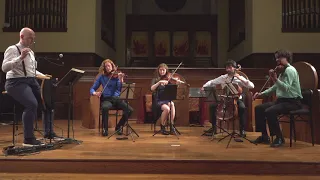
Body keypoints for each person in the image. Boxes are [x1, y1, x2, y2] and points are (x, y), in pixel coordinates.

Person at [1, 27, 63, 147]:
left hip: (30, 80)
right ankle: (28, 139)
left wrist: (44, 76)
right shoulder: (12, 49)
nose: (32, 41)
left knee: (47, 103)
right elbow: (4, 68)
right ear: (22, 37)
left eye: (33, 39)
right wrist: (20, 58)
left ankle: (49, 133)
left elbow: (31, 71)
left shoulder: (31, 52)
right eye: (30, 38)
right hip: (15, 82)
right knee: (31, 104)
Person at [253, 49, 302, 147]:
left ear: (286, 58)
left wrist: (275, 79)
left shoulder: (290, 70)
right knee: (259, 108)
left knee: (270, 111)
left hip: (292, 102)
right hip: (281, 101)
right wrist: (260, 94)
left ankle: (279, 138)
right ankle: (264, 136)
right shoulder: (282, 72)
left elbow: (286, 88)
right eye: (276, 58)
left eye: (279, 57)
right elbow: (274, 88)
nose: (277, 60)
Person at [201, 60, 254, 137]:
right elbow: (212, 82)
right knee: (212, 106)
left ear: (234, 68)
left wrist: (241, 78)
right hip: (225, 99)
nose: (228, 69)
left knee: (242, 108)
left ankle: (242, 130)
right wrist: (204, 86)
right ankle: (214, 128)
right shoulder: (223, 77)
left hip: (236, 99)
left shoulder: (240, 77)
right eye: (226, 67)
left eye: (230, 67)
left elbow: (252, 86)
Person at [90, 59, 133, 136]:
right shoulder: (101, 77)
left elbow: (119, 89)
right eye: (106, 66)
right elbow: (92, 89)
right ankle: (104, 129)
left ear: (112, 66)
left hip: (116, 99)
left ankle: (119, 126)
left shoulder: (116, 76)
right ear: (104, 68)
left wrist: (120, 79)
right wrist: (95, 93)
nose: (107, 68)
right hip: (107, 99)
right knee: (105, 107)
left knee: (129, 110)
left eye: (109, 66)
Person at [150, 63, 176, 135]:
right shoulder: (155, 79)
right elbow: (152, 89)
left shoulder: (168, 78)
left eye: (163, 70)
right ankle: (162, 126)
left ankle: (171, 125)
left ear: (166, 70)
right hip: (158, 100)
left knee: (172, 104)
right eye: (160, 70)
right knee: (167, 109)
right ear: (158, 70)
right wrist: (159, 82)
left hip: (166, 99)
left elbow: (174, 87)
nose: (162, 72)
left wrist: (175, 81)